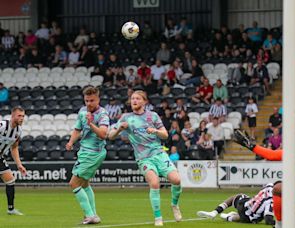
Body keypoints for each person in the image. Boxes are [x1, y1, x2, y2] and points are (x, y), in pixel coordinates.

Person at [108, 90, 182, 226]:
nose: (134, 101)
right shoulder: (126, 117)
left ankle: (174, 205)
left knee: (176, 180)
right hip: (144, 158)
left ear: (144, 101)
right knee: (154, 184)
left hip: (159, 154)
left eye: (137, 98)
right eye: (132, 99)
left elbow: (165, 135)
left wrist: (156, 131)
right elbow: (110, 135)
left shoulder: (152, 116)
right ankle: (158, 218)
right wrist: (119, 129)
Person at [65, 86, 109, 225]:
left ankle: (90, 215)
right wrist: (71, 141)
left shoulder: (103, 114)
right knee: (84, 184)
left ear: (98, 99)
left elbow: (103, 134)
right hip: (84, 151)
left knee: (73, 183)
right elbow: (77, 129)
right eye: (86, 100)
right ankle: (93, 215)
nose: (89, 103)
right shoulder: (82, 111)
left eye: (92, 100)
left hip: (93, 153)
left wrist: (91, 124)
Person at [197, 183, 275, 225]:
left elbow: (264, 190)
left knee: (237, 197)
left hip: (244, 205)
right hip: (248, 218)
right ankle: (229, 217)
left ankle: (215, 212)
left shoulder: (270, 186)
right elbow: (268, 219)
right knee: (249, 216)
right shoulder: (271, 202)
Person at [0, 107, 27, 215]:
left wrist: (19, 165)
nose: (21, 118)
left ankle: (10, 209)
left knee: (10, 180)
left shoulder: (18, 131)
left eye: (23, 116)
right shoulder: (2, 125)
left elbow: (14, 148)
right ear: (12, 116)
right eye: (19, 116)